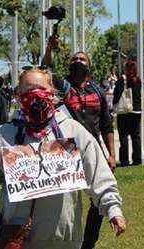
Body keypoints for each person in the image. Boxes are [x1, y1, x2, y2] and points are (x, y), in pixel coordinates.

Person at [0, 67, 126, 249]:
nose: (35, 95)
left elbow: (98, 175)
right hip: (19, 241)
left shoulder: (73, 132)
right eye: (28, 90)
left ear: (53, 94)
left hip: (65, 241)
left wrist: (113, 208)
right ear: (18, 95)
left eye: (41, 89)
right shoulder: (2, 137)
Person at [44, 35, 116, 249]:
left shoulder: (98, 91)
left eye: (82, 59)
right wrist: (50, 48)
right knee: (67, 201)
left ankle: (88, 243)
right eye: (74, 59)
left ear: (89, 66)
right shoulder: (64, 87)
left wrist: (111, 154)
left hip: (93, 153)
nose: (78, 61)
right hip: (67, 154)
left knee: (99, 201)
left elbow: (107, 125)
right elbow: (45, 70)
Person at [113, 60, 142, 167]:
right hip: (137, 110)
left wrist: (114, 105)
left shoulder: (123, 79)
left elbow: (117, 93)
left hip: (125, 110)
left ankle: (124, 160)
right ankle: (137, 159)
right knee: (136, 136)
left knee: (124, 136)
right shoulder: (138, 80)